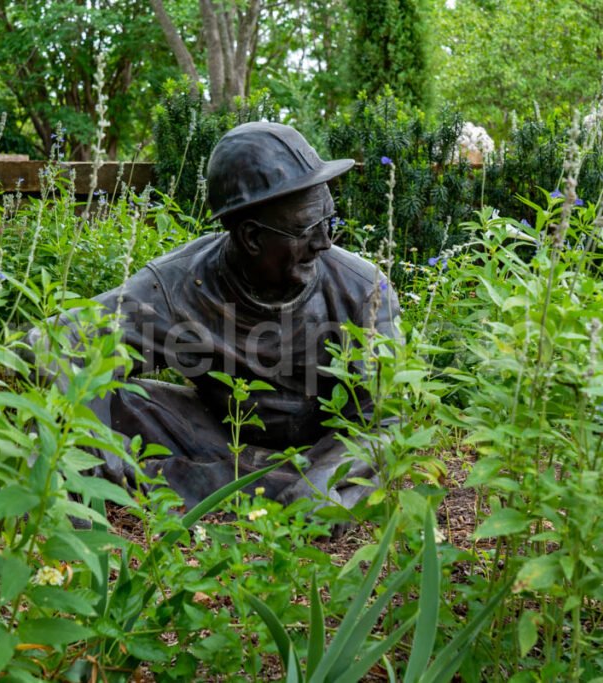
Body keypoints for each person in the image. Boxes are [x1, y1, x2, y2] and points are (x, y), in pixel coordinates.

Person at [25, 122, 399, 511]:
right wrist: (90, 432)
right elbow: (55, 341)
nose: (325, 241)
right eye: (307, 228)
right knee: (97, 405)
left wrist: (329, 475)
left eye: (329, 221)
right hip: (216, 435)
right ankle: (215, 485)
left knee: (363, 472)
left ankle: (194, 484)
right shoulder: (176, 284)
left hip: (318, 454)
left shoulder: (363, 290)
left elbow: (385, 420)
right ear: (251, 237)